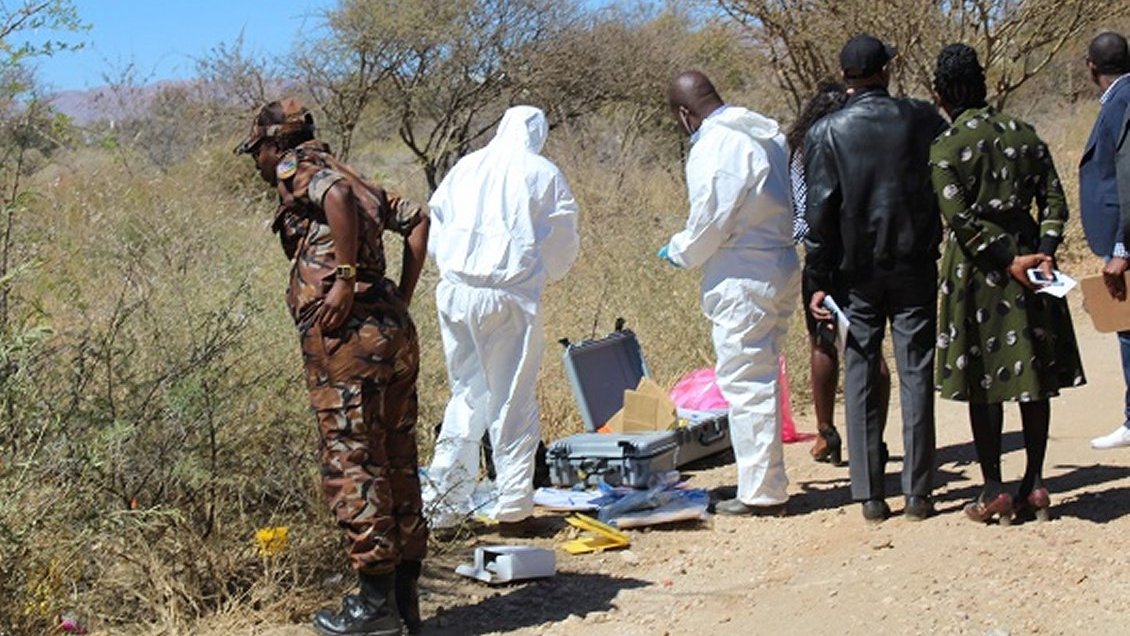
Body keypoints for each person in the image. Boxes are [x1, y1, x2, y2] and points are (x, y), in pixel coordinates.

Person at [235, 99, 430, 636]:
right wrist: (398, 298)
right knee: (396, 456)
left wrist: (345, 279)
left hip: (345, 340)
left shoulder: (298, 169)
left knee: (353, 461)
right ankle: (405, 601)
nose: (258, 164)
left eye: (257, 151)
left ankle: (374, 607)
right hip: (391, 333)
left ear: (275, 144)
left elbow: (336, 198)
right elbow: (417, 219)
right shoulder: (354, 176)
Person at [930, 44, 1086, 524]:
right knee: (1033, 374)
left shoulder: (946, 147)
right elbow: (1056, 203)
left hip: (979, 273)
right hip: (1032, 267)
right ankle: (1036, 484)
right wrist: (1042, 253)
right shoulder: (1027, 135)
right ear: (982, 85)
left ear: (941, 94)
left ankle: (995, 488)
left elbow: (958, 220)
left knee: (984, 379)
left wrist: (1007, 260)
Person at [805, 34, 948, 522]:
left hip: (855, 273)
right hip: (914, 265)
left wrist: (818, 278)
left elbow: (820, 212)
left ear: (845, 77)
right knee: (916, 371)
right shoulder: (923, 117)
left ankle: (869, 494)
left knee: (861, 372)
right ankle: (920, 493)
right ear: (886, 70)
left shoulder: (825, 133)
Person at [423, 105, 579, 535]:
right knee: (511, 397)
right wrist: (541, 270)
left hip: (454, 293)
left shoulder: (466, 166)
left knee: (467, 394)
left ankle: (443, 505)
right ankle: (513, 508)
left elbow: (434, 227)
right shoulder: (541, 172)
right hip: (507, 297)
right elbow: (562, 238)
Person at [659, 71, 800, 516]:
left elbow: (709, 224)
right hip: (779, 263)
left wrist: (679, 250)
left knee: (746, 382)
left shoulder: (716, 146)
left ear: (685, 115)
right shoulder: (764, 132)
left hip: (743, 272)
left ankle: (761, 493)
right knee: (761, 376)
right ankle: (761, 480)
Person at [786, 80, 891, 466]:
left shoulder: (800, 152)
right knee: (869, 346)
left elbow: (800, 217)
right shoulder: (862, 143)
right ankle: (874, 441)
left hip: (820, 260)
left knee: (822, 342)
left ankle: (827, 433)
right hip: (866, 255)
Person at [1079, 32, 1130, 450]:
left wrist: (1121, 249)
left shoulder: (1123, 102)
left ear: (1091, 67)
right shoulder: (1118, 99)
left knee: (1129, 328)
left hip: (1125, 241)